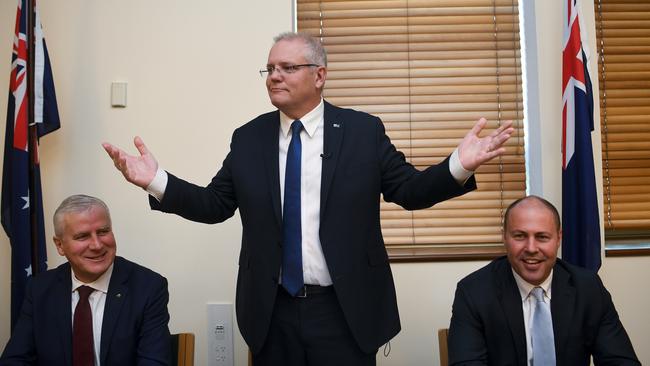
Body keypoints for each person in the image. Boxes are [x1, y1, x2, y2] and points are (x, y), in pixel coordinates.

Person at [102, 32, 513, 366]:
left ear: (320, 75)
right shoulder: (249, 138)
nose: (274, 76)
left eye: (287, 68)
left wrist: (459, 164)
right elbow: (214, 205)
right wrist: (155, 180)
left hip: (344, 310)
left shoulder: (362, 132)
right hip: (271, 311)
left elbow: (409, 191)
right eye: (270, 68)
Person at [448, 195, 640, 366]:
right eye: (520, 236)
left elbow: (620, 359)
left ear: (558, 239)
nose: (531, 248)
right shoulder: (473, 292)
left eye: (542, 237)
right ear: (505, 237)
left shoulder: (588, 288)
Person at [0, 194, 171, 366]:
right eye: (82, 236)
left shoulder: (149, 287)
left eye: (103, 232)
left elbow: (154, 362)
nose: (97, 245)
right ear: (59, 245)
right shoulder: (40, 289)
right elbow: (15, 360)